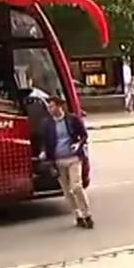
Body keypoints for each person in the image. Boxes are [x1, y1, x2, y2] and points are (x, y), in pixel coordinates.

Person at [43, 97, 93, 229]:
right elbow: (47, 144)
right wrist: (49, 161)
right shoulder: (47, 124)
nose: (50, 109)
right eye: (49, 107)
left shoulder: (72, 119)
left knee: (76, 186)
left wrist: (78, 144)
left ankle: (87, 214)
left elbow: (84, 135)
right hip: (58, 161)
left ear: (60, 106)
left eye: (52, 106)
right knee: (67, 191)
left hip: (73, 158)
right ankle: (78, 215)